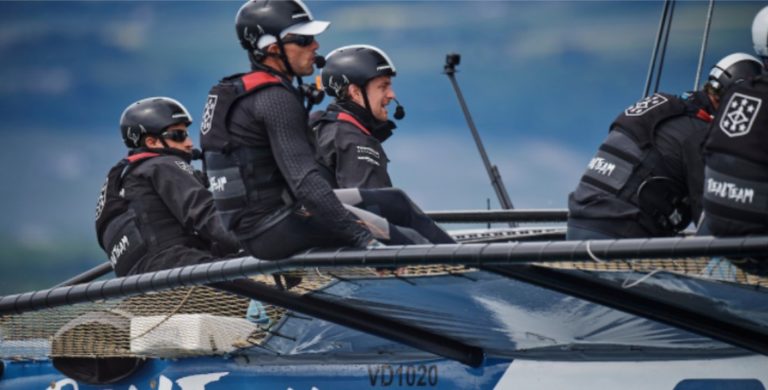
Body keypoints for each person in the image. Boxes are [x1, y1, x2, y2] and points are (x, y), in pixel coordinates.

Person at [200, 0, 453, 261]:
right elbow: (306, 183)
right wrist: (365, 241)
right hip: (275, 227)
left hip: (257, 228)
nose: (316, 46)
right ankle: (464, 268)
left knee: (395, 202)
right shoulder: (276, 99)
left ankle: (460, 260)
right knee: (403, 240)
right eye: (304, 40)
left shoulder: (234, 92)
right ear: (273, 49)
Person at [566, 53, 763, 240]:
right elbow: (709, 220)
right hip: (621, 237)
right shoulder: (700, 134)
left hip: (576, 227)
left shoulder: (663, 108)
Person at [95, 97, 241, 277]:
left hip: (138, 284)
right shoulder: (161, 164)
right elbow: (204, 212)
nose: (189, 143)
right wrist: (253, 238)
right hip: (180, 269)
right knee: (264, 265)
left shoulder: (122, 181)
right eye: (178, 135)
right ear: (151, 142)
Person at [312, 44, 402, 189]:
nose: (392, 94)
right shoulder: (353, 139)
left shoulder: (321, 127)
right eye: (383, 86)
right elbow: (369, 200)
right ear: (355, 92)